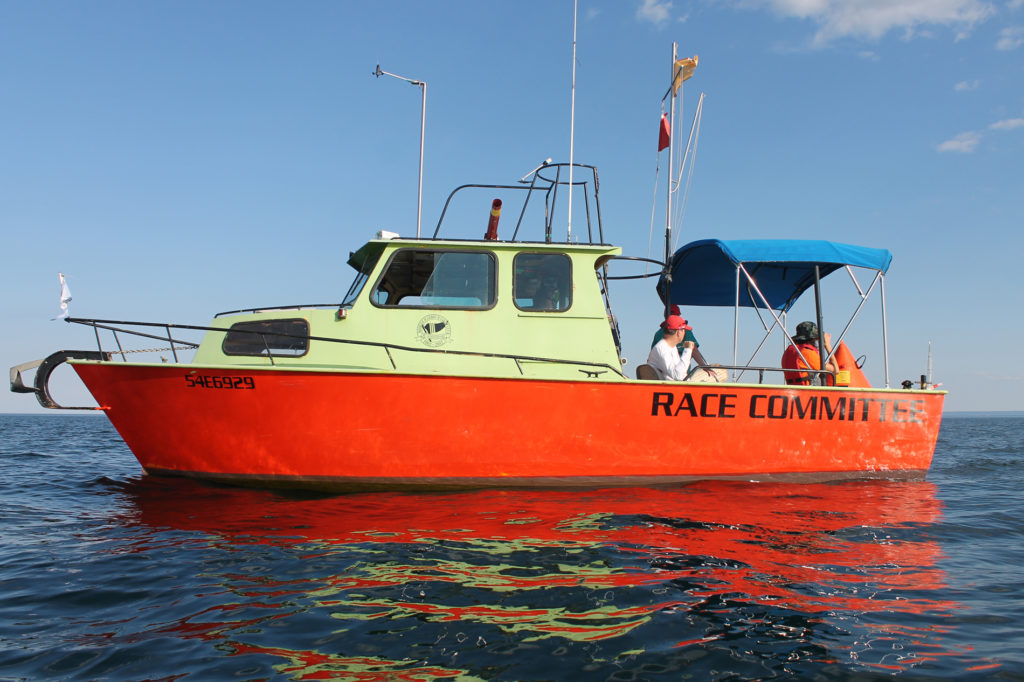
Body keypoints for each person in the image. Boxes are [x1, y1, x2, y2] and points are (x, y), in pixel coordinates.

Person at [782, 321, 837, 386]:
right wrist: (827, 345)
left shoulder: (788, 352)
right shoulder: (807, 353)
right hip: (807, 392)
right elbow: (835, 370)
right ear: (812, 339)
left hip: (793, 390)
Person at [647, 315, 696, 380]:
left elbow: (682, 376)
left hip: (667, 388)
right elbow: (679, 376)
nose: (684, 333)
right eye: (684, 330)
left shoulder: (670, 347)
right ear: (679, 332)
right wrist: (688, 350)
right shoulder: (662, 348)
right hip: (664, 389)